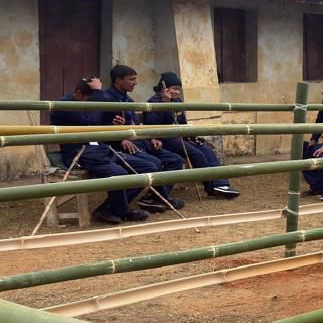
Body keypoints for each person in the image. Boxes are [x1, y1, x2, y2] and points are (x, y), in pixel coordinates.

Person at [51, 77, 149, 225]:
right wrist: (98, 92)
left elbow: (98, 120)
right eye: (91, 99)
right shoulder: (63, 105)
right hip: (79, 154)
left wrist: (115, 124)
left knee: (147, 167)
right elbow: (90, 119)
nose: (93, 103)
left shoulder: (85, 104)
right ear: (78, 93)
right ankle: (123, 212)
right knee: (118, 173)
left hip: (100, 150)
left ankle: (108, 208)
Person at [92, 64, 186, 214]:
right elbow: (96, 125)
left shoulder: (128, 99)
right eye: (131, 79)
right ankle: (111, 207)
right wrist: (120, 138)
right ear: (118, 80)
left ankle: (156, 198)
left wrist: (150, 137)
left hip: (140, 141)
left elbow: (135, 124)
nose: (135, 82)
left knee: (175, 160)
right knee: (152, 165)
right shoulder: (106, 99)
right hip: (118, 146)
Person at [146, 72, 240, 199]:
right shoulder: (154, 102)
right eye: (174, 89)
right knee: (196, 154)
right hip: (165, 139)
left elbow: (182, 122)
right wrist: (165, 103)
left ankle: (221, 184)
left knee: (207, 150)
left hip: (180, 137)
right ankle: (211, 187)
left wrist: (190, 136)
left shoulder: (177, 101)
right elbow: (152, 123)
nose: (177, 92)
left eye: (178, 89)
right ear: (164, 88)